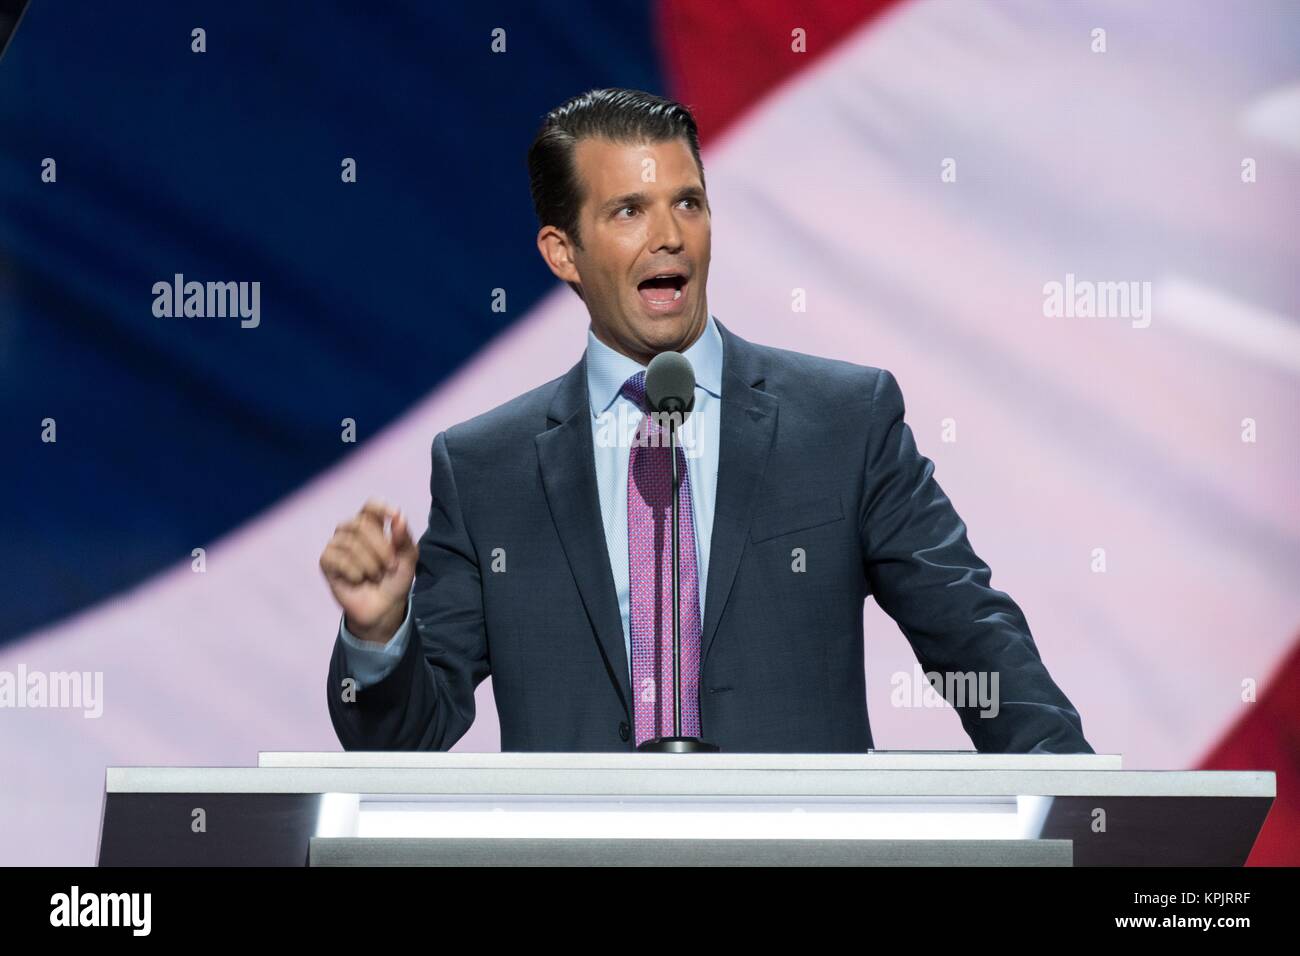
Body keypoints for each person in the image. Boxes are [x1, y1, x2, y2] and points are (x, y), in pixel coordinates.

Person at [319, 88, 1093, 754]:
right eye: (629, 211)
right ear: (563, 252)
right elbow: (404, 741)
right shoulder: (485, 468)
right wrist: (381, 637)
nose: (670, 237)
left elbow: (972, 638)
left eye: (687, 202)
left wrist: (1086, 805)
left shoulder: (845, 422)